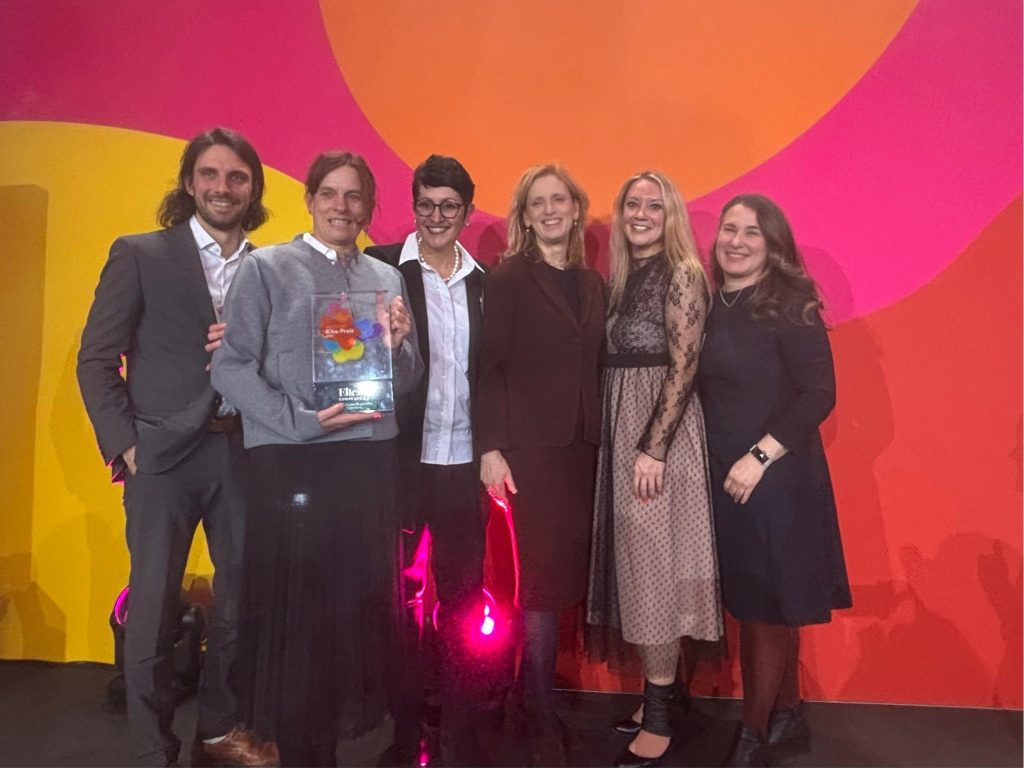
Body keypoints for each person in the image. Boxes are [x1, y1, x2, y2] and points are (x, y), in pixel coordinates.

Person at [210, 150, 422, 767]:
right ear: (308, 199)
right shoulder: (267, 268)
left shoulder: (386, 278)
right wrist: (300, 421)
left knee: (350, 620)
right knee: (299, 626)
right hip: (292, 465)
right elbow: (230, 368)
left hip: (366, 466)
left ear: (368, 207)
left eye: (354, 196)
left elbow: (407, 380)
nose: (341, 207)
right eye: (329, 193)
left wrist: (400, 348)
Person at [77, 127, 278, 767]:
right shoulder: (140, 254)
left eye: (237, 176)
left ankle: (218, 731)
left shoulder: (270, 267)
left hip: (243, 453)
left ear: (253, 189)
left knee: (240, 603)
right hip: (161, 459)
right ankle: (152, 749)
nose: (223, 187)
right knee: (154, 608)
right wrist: (125, 446)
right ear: (189, 182)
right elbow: (96, 360)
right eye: (210, 174)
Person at [697, 194, 851, 766]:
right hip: (725, 477)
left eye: (751, 232)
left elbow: (820, 393)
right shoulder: (714, 304)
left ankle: (753, 733)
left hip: (775, 481)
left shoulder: (789, 304)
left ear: (772, 244)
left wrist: (759, 456)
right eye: (729, 229)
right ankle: (787, 712)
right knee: (758, 602)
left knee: (765, 609)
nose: (736, 241)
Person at [586, 171, 723, 767]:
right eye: (632, 204)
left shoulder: (683, 273)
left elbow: (684, 366)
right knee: (640, 568)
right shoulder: (621, 278)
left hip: (656, 437)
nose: (641, 214)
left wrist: (655, 446)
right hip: (624, 431)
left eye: (655, 206)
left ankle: (662, 718)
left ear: (672, 218)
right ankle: (659, 697)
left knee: (654, 571)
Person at [475, 164, 605, 766]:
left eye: (559, 200)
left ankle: (535, 699)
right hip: (530, 455)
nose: (550, 210)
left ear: (576, 209)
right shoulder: (508, 278)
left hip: (582, 453)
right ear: (525, 217)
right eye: (537, 203)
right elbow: (489, 367)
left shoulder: (592, 282)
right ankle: (539, 713)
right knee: (539, 589)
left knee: (562, 584)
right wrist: (490, 448)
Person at [364, 155, 489, 765]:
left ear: (467, 212)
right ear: (413, 206)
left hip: (465, 462)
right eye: (426, 205)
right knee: (400, 600)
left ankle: (458, 723)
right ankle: (405, 722)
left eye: (449, 207)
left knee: (464, 598)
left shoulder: (486, 284)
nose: (436, 217)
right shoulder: (379, 269)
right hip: (401, 462)